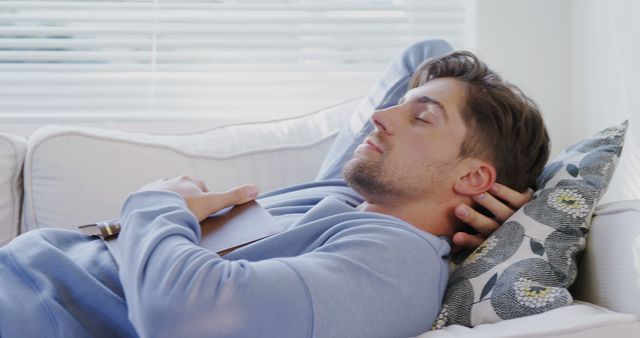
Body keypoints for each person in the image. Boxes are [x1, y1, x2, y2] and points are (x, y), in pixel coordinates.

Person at [0, 50, 549, 338]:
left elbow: (187, 319)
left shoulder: (395, 261)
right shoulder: (348, 191)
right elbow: (426, 50)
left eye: (420, 116)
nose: (380, 117)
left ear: (474, 177)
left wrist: (156, 204)